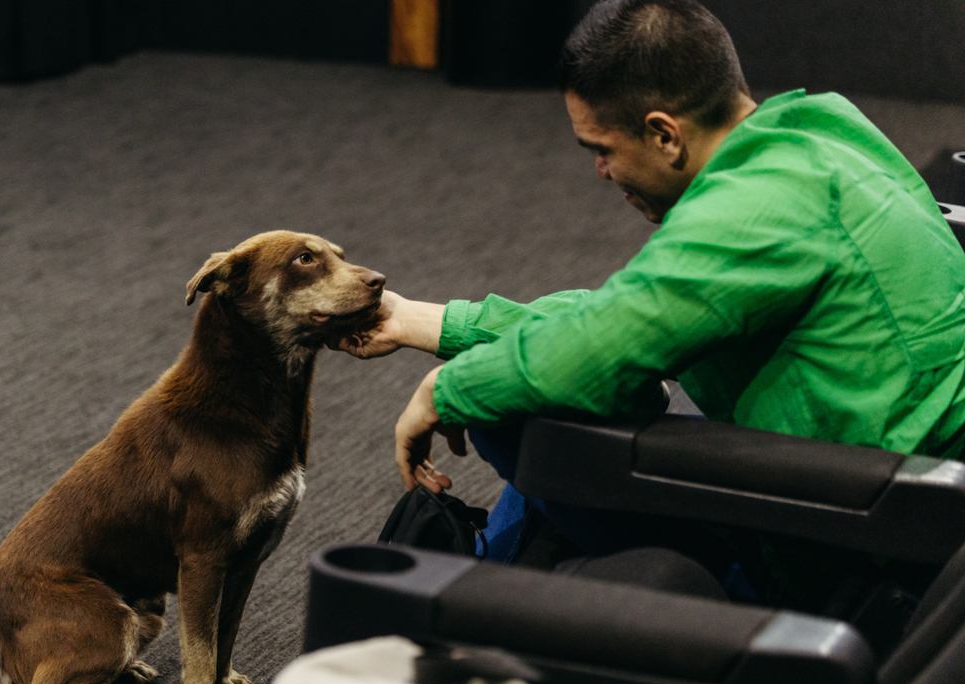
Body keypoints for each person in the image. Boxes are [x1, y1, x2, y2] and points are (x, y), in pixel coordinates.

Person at [336, 0, 965, 606]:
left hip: (864, 545)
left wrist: (446, 390)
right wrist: (426, 321)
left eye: (603, 150)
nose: (602, 173)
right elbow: (624, 313)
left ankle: (472, 611)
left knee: (518, 416)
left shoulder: (752, 213)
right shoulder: (817, 137)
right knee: (532, 385)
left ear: (664, 134)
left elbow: (598, 349)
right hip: (902, 498)